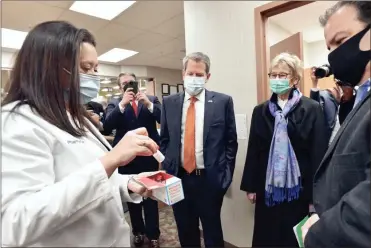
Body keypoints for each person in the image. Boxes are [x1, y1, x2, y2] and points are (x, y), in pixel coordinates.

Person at [1, 21, 160, 247]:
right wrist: (112, 159)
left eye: (95, 69)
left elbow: (90, 179)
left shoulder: (74, 116)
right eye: (85, 69)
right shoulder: (17, 122)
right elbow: (15, 223)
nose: (93, 77)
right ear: (49, 68)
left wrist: (128, 183)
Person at [240, 52, 328, 247]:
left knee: (292, 238)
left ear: (295, 79)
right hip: (267, 187)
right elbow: (254, 149)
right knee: (267, 236)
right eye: (274, 75)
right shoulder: (260, 111)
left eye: (283, 75)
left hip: (299, 189)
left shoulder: (312, 108)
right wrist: (251, 186)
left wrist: (315, 197)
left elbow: (318, 153)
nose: (277, 79)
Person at [302, 2, 370, 247]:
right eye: (330, 47)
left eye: (341, 41)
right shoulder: (362, 98)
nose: (334, 55)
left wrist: (321, 232)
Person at [160, 52, 238, 247]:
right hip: (179, 179)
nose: (194, 78)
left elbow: (231, 142)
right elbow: (165, 140)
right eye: (190, 73)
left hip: (210, 180)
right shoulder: (169, 103)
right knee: (186, 231)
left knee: (212, 232)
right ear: (183, 74)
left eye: (199, 74)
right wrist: (168, 170)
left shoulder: (222, 102)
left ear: (207, 77)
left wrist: (225, 177)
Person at [104, 73, 161, 248]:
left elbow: (163, 119)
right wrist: (122, 104)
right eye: (124, 84)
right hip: (127, 160)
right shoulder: (115, 103)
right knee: (132, 198)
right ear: (120, 87)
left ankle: (153, 235)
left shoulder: (151, 99)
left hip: (148, 158)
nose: (128, 86)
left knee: (151, 198)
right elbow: (107, 125)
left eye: (131, 83)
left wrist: (148, 104)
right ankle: (138, 232)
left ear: (138, 83)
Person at [309, 69, 355, 143]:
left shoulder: (355, 99)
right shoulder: (326, 95)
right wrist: (314, 84)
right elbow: (314, 109)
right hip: (328, 144)